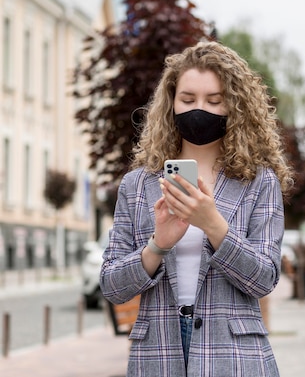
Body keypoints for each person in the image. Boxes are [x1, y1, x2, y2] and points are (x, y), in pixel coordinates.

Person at [100, 41, 293, 377]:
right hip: (158, 354)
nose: (198, 109)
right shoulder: (137, 185)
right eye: (187, 100)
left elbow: (264, 279)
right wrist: (157, 245)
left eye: (214, 101)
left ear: (235, 107)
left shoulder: (259, 182)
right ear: (171, 103)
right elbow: (113, 286)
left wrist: (214, 225)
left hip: (234, 355)